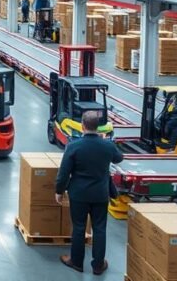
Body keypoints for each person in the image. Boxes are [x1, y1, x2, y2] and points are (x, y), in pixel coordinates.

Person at [55, 112, 124, 276]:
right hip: (100, 194)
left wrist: (59, 190)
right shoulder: (107, 145)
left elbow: (64, 172)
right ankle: (98, 265)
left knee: (78, 227)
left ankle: (77, 262)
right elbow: (119, 158)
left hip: (78, 194)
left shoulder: (74, 146)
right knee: (99, 228)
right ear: (98, 126)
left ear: (82, 126)